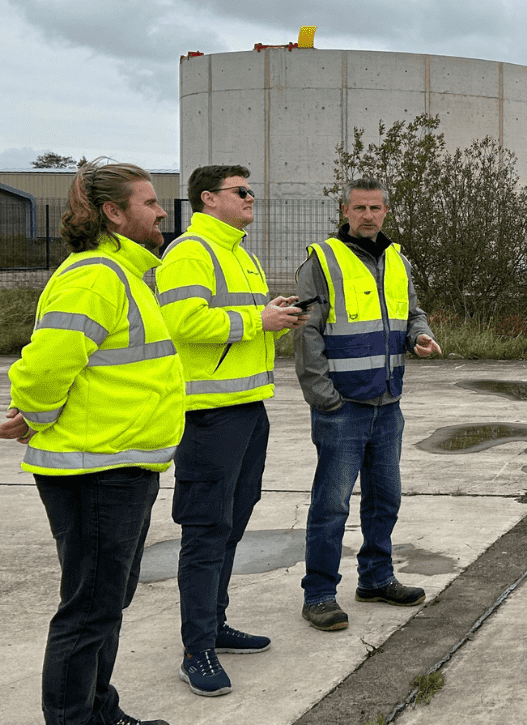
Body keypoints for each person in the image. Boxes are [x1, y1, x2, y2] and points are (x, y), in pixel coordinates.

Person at [0, 159, 180, 725]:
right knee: (88, 610)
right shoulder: (95, 275)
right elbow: (46, 364)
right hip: (94, 469)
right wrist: (34, 411)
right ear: (113, 213)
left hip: (122, 464)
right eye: (149, 203)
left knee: (106, 604)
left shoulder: (125, 274)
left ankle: (101, 711)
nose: (161, 212)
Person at [155, 164, 306, 696]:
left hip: (246, 407)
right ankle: (196, 649)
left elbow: (239, 322)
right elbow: (183, 322)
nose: (250, 199)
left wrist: (274, 315)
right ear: (207, 198)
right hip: (207, 415)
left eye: (250, 191)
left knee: (232, 525)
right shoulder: (191, 251)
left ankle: (214, 626)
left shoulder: (240, 253)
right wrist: (256, 321)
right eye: (241, 192)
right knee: (205, 530)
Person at [293, 177, 442, 631]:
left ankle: (376, 578)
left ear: (386, 211)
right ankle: (319, 594)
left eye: (376, 208)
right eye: (359, 208)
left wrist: (421, 335)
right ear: (344, 210)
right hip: (344, 407)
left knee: (385, 499)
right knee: (332, 504)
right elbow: (305, 330)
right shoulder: (323, 261)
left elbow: (411, 312)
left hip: (387, 402)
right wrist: (324, 398)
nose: (368, 215)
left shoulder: (398, 261)